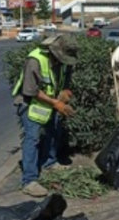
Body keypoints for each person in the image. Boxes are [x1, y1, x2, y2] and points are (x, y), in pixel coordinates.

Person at [12, 34, 79, 197]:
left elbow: (65, 79)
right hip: (30, 103)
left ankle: (49, 162)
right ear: (54, 52)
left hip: (50, 103)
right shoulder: (35, 60)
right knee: (32, 138)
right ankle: (29, 181)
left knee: (54, 131)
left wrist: (65, 92)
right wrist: (56, 103)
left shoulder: (63, 62)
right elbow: (30, 90)